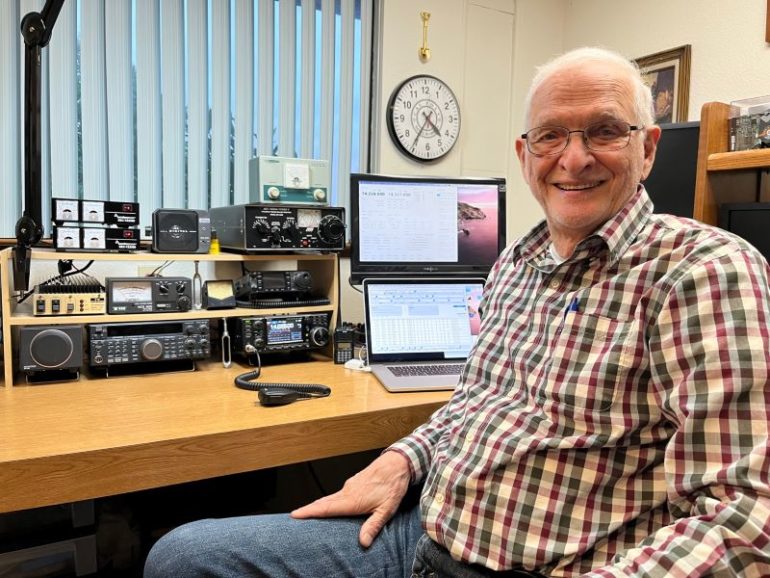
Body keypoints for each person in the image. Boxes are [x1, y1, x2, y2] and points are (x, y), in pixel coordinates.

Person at [144, 47, 770, 577]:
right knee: (183, 557)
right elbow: (475, 407)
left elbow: (743, 519)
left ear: (649, 148)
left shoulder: (703, 272)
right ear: (526, 153)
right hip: (421, 532)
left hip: (544, 563)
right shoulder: (515, 263)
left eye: (604, 131)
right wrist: (401, 459)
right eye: (551, 135)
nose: (573, 159)